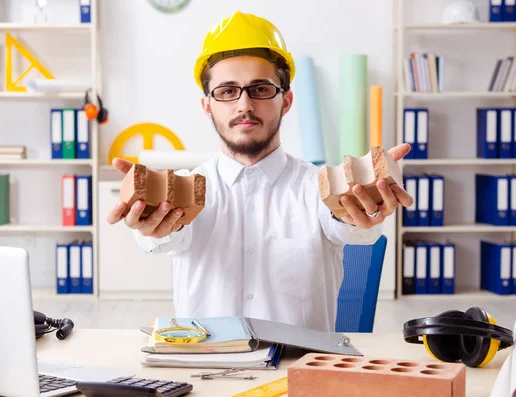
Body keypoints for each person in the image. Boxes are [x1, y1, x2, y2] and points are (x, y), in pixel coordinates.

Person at [107, 11, 413, 331]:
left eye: (261, 89)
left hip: (298, 368)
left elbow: (352, 227)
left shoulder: (316, 186)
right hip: (205, 368)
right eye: (227, 91)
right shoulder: (186, 190)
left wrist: (363, 206)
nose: (244, 105)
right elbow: (164, 239)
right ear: (207, 106)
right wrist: (149, 219)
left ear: (287, 100)